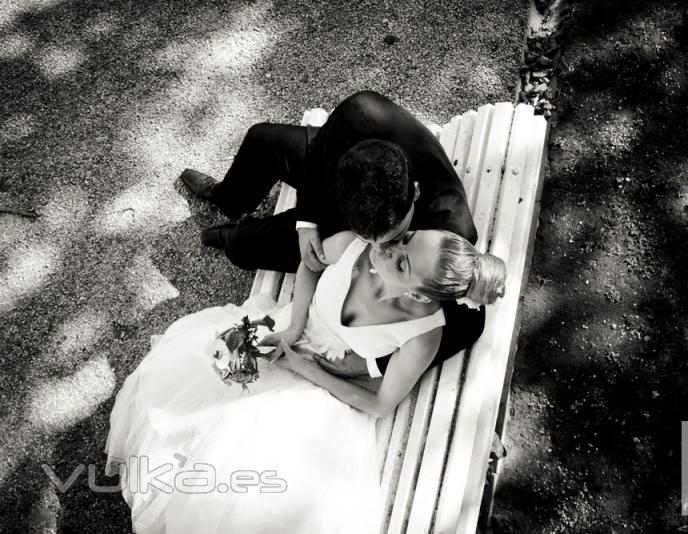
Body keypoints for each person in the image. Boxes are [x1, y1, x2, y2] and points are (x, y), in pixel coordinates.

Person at [105, 229, 505, 533]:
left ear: (419, 296)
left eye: (402, 263)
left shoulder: (423, 335)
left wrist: (305, 368)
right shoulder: (354, 242)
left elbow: (382, 404)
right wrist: (294, 325)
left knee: (255, 482)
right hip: (287, 331)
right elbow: (310, 264)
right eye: (404, 239)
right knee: (191, 399)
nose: (387, 249)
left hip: (323, 386)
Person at [180, 90, 484, 375]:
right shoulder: (361, 113)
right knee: (262, 139)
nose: (379, 249)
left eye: (395, 235)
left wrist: (371, 364)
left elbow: (470, 322)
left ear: (415, 193)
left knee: (242, 247)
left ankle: (234, 235)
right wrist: (307, 223)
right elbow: (318, 153)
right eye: (371, 240)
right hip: (344, 201)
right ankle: (227, 199)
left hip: (348, 236)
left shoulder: (450, 230)